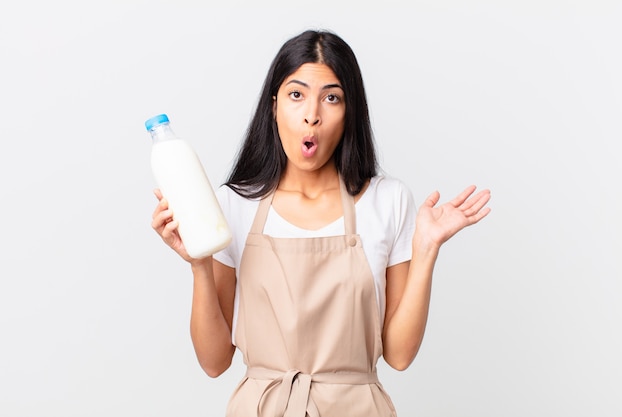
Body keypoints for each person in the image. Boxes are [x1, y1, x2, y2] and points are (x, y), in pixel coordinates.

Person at [151, 29, 491, 417]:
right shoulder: (234, 203)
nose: (312, 113)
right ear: (274, 104)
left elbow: (398, 355)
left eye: (331, 98)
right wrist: (198, 263)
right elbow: (214, 362)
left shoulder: (388, 200)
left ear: (350, 113)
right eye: (297, 95)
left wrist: (426, 249)